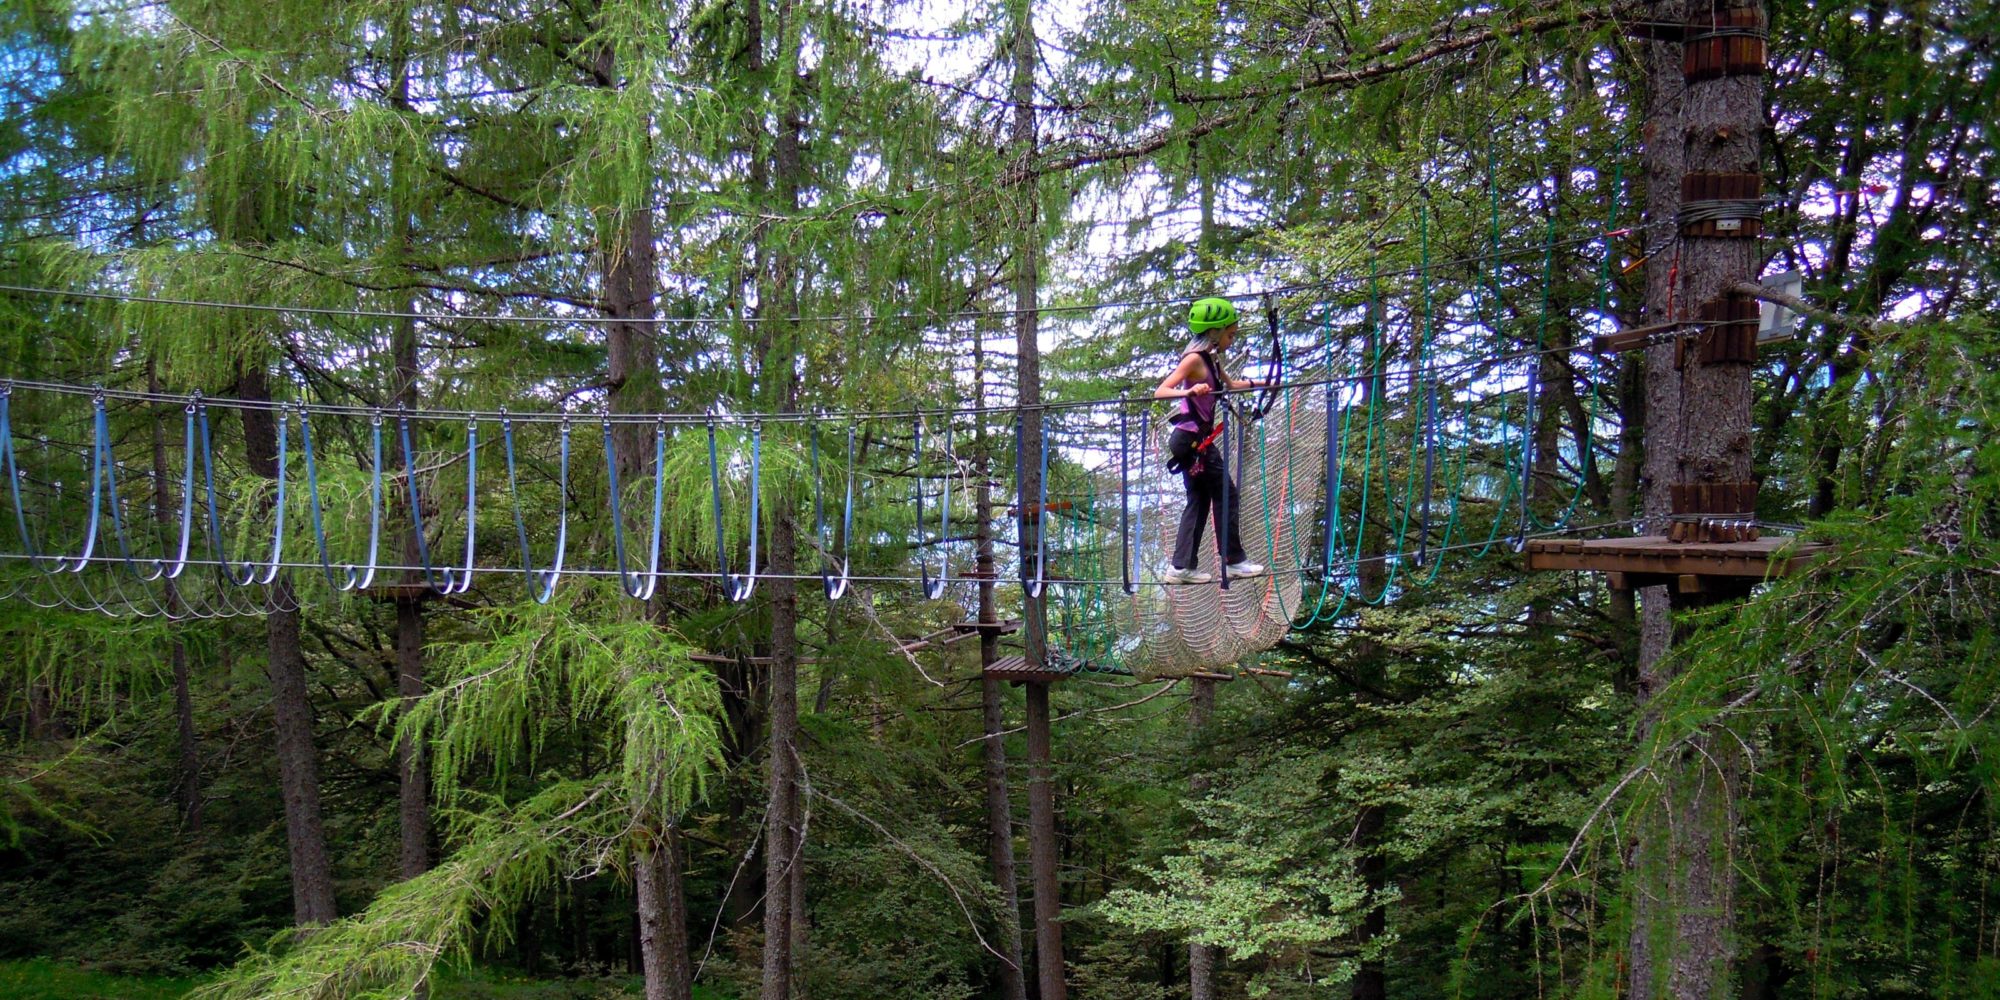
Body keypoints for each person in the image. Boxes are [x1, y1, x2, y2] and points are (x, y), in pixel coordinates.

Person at [1152, 297, 1268, 584]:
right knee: (1226, 492)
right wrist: (1189, 393)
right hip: (1190, 439)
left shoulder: (1213, 360)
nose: (1232, 340)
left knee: (1200, 497)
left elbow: (1231, 386)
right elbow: (1161, 391)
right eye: (1230, 334)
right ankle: (1233, 560)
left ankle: (1181, 567)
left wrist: (1263, 383)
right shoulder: (1193, 360)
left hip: (1195, 441)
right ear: (1215, 331)